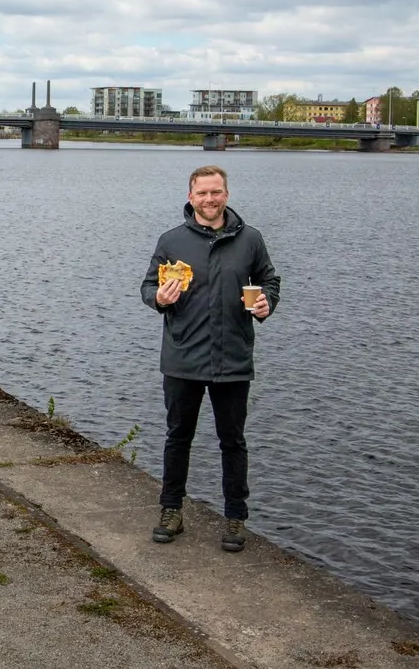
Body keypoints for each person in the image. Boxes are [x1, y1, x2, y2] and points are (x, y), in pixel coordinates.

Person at [140, 165, 280, 553]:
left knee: (232, 441)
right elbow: (148, 285)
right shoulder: (171, 241)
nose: (210, 199)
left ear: (227, 195)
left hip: (233, 358)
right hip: (183, 357)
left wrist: (268, 303)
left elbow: (269, 280)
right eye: (202, 193)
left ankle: (235, 517)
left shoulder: (250, 240)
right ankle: (171, 511)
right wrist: (158, 298)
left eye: (216, 192)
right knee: (177, 438)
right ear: (191, 197)